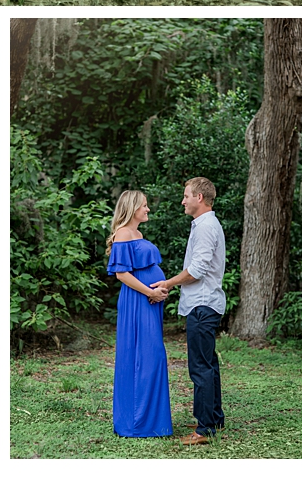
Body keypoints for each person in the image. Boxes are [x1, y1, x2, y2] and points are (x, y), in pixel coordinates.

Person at [150, 176, 226, 446]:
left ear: (200, 198)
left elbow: (196, 271)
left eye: (186, 196)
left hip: (202, 305)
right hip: (204, 304)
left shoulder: (206, 227)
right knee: (209, 364)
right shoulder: (204, 224)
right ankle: (214, 418)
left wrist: (167, 283)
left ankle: (204, 429)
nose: (183, 201)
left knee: (200, 368)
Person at [106, 188, 172, 439]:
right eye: (144, 205)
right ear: (132, 207)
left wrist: (157, 291)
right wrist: (150, 292)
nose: (147, 209)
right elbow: (122, 274)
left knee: (152, 356)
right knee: (142, 357)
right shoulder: (123, 233)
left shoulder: (138, 233)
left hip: (149, 301)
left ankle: (152, 421)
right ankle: (135, 422)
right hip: (137, 301)